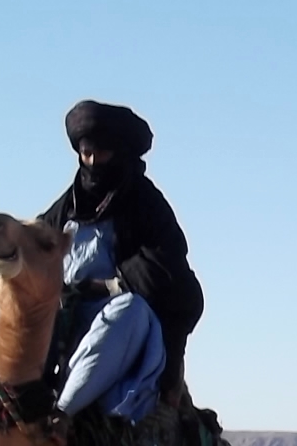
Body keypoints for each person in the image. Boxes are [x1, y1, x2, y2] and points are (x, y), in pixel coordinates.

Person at [40, 100, 205, 397]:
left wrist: (105, 286)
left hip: (126, 331)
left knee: (129, 310)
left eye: (100, 153)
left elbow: (166, 275)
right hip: (68, 324)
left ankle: (65, 412)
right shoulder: (67, 206)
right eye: (85, 154)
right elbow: (36, 243)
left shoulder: (147, 206)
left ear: (120, 154)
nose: (91, 163)